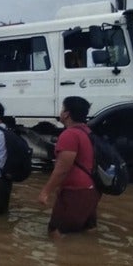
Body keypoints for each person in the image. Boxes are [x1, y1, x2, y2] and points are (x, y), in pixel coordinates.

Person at [37, 96, 101, 237]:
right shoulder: (87, 131)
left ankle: (63, 258)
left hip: (75, 191)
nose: (61, 112)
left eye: (62, 109)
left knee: (56, 233)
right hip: (92, 189)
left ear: (66, 114)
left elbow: (62, 169)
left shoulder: (69, 135)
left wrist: (45, 192)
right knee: (88, 229)